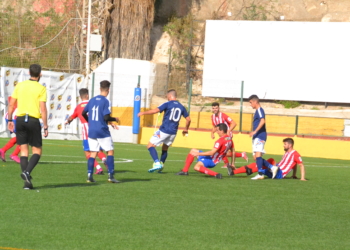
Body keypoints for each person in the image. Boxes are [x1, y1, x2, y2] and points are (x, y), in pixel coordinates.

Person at [7, 64, 48, 190]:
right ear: (40, 74)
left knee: (24, 152)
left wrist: (9, 119)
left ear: (29, 73)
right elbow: (43, 109)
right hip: (33, 120)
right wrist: (45, 125)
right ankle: (27, 173)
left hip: (19, 120)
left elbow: (11, 104)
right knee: (37, 151)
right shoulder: (41, 88)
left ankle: (27, 183)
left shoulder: (20, 85)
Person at [138, 89, 191, 173]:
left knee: (150, 145)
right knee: (165, 148)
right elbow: (188, 119)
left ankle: (157, 163)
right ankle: (161, 165)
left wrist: (143, 113)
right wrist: (185, 129)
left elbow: (155, 110)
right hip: (173, 132)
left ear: (170, 96)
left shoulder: (167, 104)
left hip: (164, 130)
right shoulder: (181, 106)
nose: (167, 98)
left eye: (167, 97)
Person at [82, 80, 119, 183]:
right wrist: (114, 119)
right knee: (110, 151)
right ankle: (111, 176)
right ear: (108, 90)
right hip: (102, 130)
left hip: (92, 130)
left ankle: (89, 176)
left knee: (93, 153)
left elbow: (83, 112)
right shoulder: (105, 101)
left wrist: (90, 121)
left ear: (100, 88)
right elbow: (106, 117)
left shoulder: (92, 100)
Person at [65, 88, 108, 175]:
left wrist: (67, 121)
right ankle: (105, 159)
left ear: (80, 97)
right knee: (98, 150)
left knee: (88, 152)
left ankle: (98, 168)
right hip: (97, 128)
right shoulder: (93, 103)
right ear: (87, 95)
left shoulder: (78, 107)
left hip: (86, 130)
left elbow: (72, 117)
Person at [228, 138, 307, 181]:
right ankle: (236, 172)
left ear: (290, 145)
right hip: (276, 169)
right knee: (262, 162)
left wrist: (302, 178)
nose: (283, 146)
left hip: (279, 173)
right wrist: (294, 175)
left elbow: (301, 165)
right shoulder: (287, 153)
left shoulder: (295, 154)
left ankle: (243, 171)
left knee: (260, 160)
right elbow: (295, 164)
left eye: (285, 144)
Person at [211, 102, 248, 167]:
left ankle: (239, 157)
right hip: (222, 135)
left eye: (216, 108)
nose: (215, 109)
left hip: (228, 135)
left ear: (219, 108)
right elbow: (215, 127)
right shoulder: (212, 117)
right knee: (223, 151)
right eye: (213, 108)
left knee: (226, 150)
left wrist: (229, 130)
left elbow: (234, 123)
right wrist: (212, 132)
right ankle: (229, 163)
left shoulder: (223, 115)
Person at [248, 95, 267, 180]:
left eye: (251, 102)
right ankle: (271, 167)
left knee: (258, 154)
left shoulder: (259, 110)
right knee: (255, 157)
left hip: (260, 135)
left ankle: (260, 174)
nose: (250, 104)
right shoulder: (257, 111)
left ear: (255, 102)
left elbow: (263, 120)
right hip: (256, 136)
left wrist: (255, 131)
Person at [0, 97, 21, 163]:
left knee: (20, 137)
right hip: (14, 116)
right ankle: (14, 154)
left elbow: (10, 99)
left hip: (11, 115)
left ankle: (3, 150)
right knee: (24, 138)